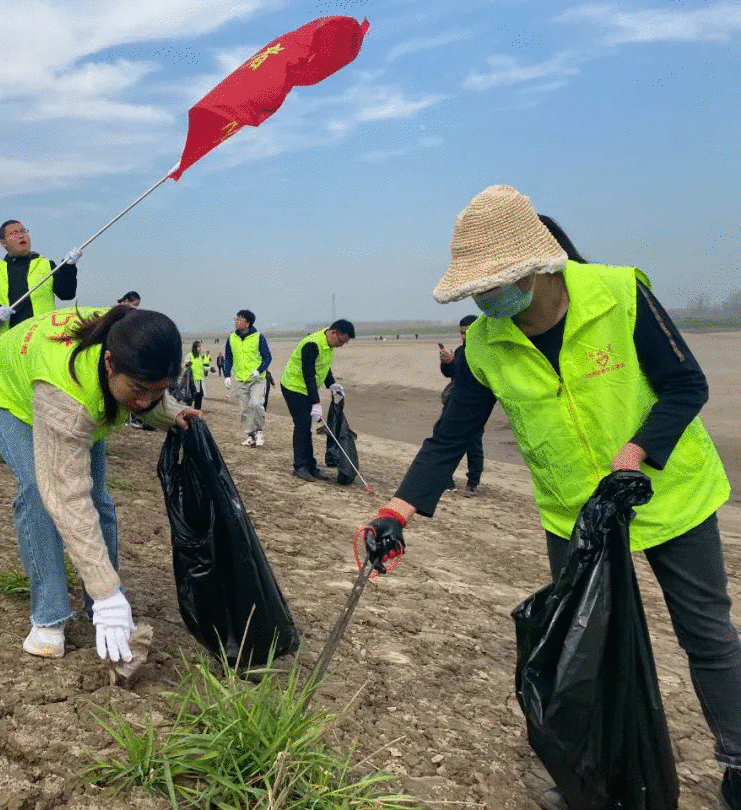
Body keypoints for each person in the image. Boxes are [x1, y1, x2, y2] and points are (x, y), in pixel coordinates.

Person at [360, 185, 740, 810]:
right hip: (574, 517)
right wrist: (396, 510)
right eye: (476, 289)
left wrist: (641, 450)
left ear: (540, 265)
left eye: (497, 282)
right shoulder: (485, 343)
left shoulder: (619, 294)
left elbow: (685, 385)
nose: (488, 299)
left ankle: (740, 761)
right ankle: (600, 782)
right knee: (586, 652)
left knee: (707, 635)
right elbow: (451, 434)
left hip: (673, 496)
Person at [0, 305, 200, 662]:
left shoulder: (132, 342)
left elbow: (147, 392)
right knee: (39, 495)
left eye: (157, 390)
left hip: (70, 392)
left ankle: (103, 608)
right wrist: (108, 592)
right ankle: (49, 618)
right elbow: (65, 496)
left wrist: (168, 411)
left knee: (99, 501)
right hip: (8, 391)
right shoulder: (70, 395)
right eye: (138, 388)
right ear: (109, 363)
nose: (143, 401)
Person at [0, 220, 79, 339]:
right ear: (3, 243)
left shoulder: (46, 264)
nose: (21, 235)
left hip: (42, 336)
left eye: (23, 231)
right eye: (14, 233)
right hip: (9, 339)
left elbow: (66, 293)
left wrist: (68, 267)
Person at [279, 320, 355, 481]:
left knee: (306, 426)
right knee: (302, 425)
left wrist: (332, 384)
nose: (341, 345)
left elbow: (324, 367)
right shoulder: (312, 344)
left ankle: (311, 466)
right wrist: (316, 403)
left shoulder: (328, 344)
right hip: (294, 387)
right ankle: (300, 466)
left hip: (306, 388)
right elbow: (309, 375)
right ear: (334, 333)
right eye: (341, 341)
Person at [438, 314, 483, 496]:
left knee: (474, 446)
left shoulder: (484, 352)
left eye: (466, 333)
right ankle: (446, 479)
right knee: (445, 441)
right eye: (461, 333)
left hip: (476, 405)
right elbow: (451, 374)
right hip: (454, 402)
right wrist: (447, 363)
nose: (463, 337)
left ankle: (473, 482)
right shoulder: (460, 351)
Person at [223, 309, 272, 447]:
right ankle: (250, 436)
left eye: (240, 319)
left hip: (257, 379)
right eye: (236, 319)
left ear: (248, 323)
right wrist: (227, 375)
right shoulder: (232, 338)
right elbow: (228, 358)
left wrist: (259, 370)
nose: (236, 322)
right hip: (240, 379)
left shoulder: (258, 337)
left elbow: (267, 357)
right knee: (244, 410)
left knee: (255, 404)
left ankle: (259, 431)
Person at [186, 340, 211, 410]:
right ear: (195, 347)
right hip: (193, 379)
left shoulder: (200, 356)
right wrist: (187, 364)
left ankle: (197, 411)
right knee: (192, 396)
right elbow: (185, 364)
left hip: (200, 379)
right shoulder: (190, 355)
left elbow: (202, 366)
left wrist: (209, 369)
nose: (200, 348)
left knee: (199, 396)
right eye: (199, 346)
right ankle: (189, 411)